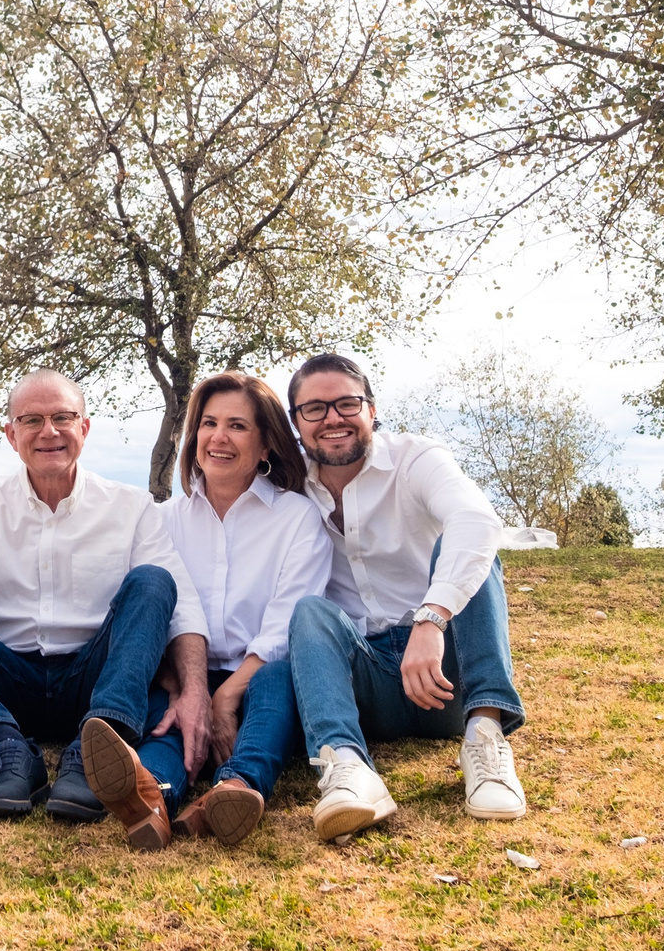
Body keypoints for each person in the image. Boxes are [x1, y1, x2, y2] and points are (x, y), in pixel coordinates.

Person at [0, 369, 210, 851]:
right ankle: (8, 749)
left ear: (84, 427)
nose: (49, 431)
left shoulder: (131, 507)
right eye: (32, 420)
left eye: (63, 417)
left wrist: (196, 690)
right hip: (5, 679)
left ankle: (94, 748)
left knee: (154, 581)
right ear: (11, 434)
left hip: (91, 680)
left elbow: (178, 605)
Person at [284, 352, 528, 839]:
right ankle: (349, 768)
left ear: (372, 410)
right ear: (296, 423)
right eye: (314, 409)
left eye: (347, 403)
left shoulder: (417, 458)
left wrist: (431, 618)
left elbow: (477, 520)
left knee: (469, 553)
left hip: (445, 677)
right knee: (310, 612)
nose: (332, 418)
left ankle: (485, 737)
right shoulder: (287, 486)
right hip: (369, 678)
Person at [139, 372, 333, 847]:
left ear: (267, 444)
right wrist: (191, 690)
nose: (218, 438)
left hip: (258, 674)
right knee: (167, 720)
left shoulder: (297, 518)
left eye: (237, 426)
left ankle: (235, 787)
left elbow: (286, 623)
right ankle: (153, 800)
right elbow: (153, 616)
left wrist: (224, 698)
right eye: (208, 423)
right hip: (184, 673)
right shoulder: (162, 520)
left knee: (277, 684)